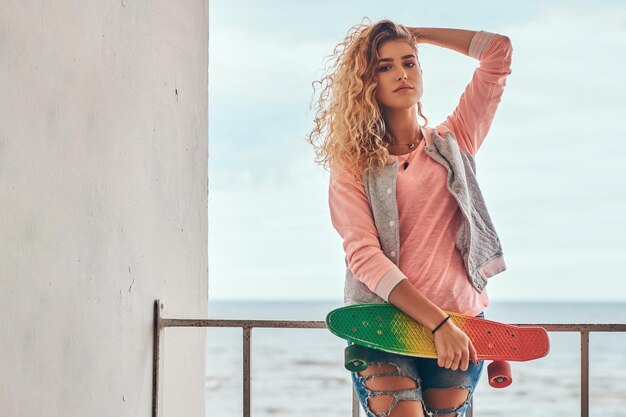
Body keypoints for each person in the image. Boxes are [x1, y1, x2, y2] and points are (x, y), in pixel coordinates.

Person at [307, 17, 513, 417]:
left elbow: (497, 52)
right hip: (383, 323)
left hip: (461, 320)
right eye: (385, 66)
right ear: (367, 83)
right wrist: (438, 325)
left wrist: (419, 35)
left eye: (409, 61)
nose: (402, 73)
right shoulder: (353, 163)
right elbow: (364, 256)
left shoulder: (456, 140)